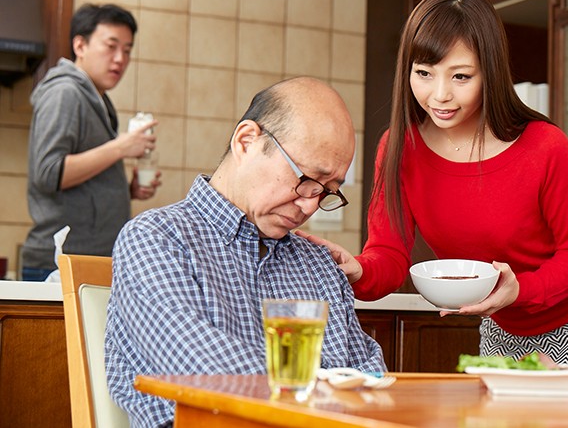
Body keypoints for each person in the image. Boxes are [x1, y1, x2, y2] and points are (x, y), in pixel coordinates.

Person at [298, 0, 568, 367]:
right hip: (501, 326)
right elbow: (390, 255)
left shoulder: (544, 146)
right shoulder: (398, 148)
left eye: (460, 76)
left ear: (489, 72)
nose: (439, 95)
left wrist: (519, 290)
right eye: (424, 73)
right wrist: (360, 268)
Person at [105, 77, 386, 427]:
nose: (310, 205)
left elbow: (372, 379)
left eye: (326, 191)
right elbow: (212, 379)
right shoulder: (156, 240)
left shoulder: (317, 264)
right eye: (306, 179)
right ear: (247, 141)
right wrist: (332, 394)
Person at [21, 3, 160, 281]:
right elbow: (48, 173)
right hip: (60, 263)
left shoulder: (96, 98)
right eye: (111, 46)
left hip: (88, 258)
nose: (120, 58)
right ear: (80, 45)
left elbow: (79, 180)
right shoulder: (65, 92)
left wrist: (124, 189)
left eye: (128, 50)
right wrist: (121, 147)